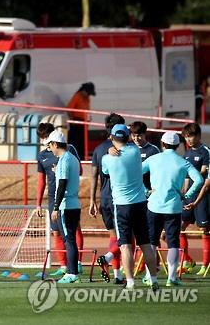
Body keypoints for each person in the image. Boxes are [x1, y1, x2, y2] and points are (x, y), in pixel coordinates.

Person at [99, 124, 159, 291]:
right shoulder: (135, 152)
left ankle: (131, 282)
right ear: (128, 137)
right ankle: (153, 280)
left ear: (111, 138)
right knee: (146, 244)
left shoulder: (107, 158)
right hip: (140, 203)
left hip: (121, 206)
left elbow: (105, 173)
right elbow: (129, 143)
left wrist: (110, 150)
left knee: (125, 245)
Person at [141, 131, 203, 286]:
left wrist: (145, 191)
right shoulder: (183, 162)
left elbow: (135, 173)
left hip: (154, 205)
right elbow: (199, 180)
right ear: (177, 145)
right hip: (173, 207)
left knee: (152, 242)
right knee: (173, 243)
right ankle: (172, 278)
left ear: (162, 144)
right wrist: (186, 194)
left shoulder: (153, 158)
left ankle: (149, 276)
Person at [35, 122, 84, 276]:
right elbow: (41, 180)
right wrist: (38, 203)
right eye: (41, 137)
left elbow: (77, 171)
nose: (44, 140)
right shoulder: (42, 155)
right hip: (53, 197)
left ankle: (76, 264)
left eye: (46, 137)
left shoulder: (67, 152)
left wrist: (60, 171)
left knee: (73, 231)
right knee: (57, 232)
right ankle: (64, 266)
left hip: (66, 197)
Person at [89, 113, 126, 284]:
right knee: (127, 237)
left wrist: (92, 200)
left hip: (104, 198)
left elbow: (94, 175)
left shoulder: (98, 149)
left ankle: (118, 275)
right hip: (120, 198)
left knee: (113, 236)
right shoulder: (124, 148)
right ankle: (109, 258)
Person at [45, 130, 82, 283]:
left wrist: (55, 207)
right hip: (74, 204)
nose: (50, 149)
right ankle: (73, 272)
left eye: (50, 145)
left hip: (66, 205)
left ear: (55, 144)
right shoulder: (72, 158)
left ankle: (72, 273)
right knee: (70, 238)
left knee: (69, 240)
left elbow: (61, 185)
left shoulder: (64, 160)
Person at [129, 121, 160, 271]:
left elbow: (160, 171)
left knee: (149, 230)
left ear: (145, 134)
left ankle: (152, 265)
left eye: (139, 135)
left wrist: (154, 189)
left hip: (149, 196)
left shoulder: (153, 150)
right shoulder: (128, 150)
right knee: (133, 230)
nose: (136, 138)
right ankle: (138, 262)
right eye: (134, 135)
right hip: (133, 195)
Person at [179, 123, 209, 275]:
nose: (188, 139)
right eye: (186, 137)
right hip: (189, 194)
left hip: (203, 195)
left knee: (204, 230)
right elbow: (186, 176)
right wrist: (183, 194)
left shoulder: (206, 152)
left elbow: (203, 174)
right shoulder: (188, 152)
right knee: (180, 227)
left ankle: (205, 265)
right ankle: (186, 260)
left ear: (198, 136)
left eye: (190, 136)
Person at [66, 82, 95, 159]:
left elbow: (87, 110)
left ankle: (81, 157)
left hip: (84, 122)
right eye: (88, 93)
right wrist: (72, 121)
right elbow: (69, 109)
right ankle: (74, 156)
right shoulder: (77, 96)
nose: (88, 95)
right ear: (84, 91)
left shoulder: (87, 98)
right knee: (75, 141)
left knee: (82, 141)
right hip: (76, 122)